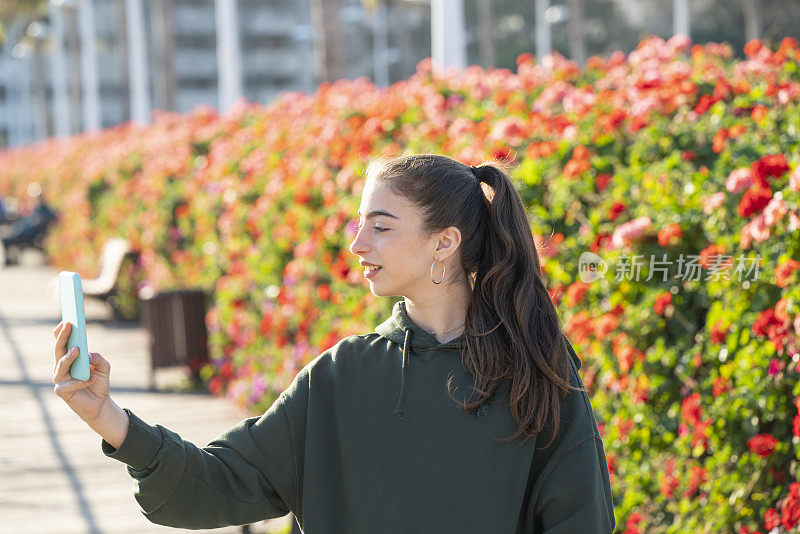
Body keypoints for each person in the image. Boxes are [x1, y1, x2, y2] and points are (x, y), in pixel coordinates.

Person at [52, 153, 616, 533]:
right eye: (358, 222)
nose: (356, 243)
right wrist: (111, 420)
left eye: (381, 225)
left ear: (444, 242)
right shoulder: (341, 376)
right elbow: (218, 481)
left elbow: (579, 518)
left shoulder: (534, 368)